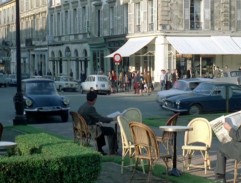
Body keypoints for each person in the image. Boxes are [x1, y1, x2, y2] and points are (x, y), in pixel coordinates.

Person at [78, 90, 117, 155]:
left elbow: (89, 118)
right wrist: (113, 119)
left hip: (84, 127)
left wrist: (96, 122)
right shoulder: (90, 108)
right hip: (90, 129)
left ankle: (100, 149)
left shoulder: (83, 106)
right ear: (94, 99)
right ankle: (112, 151)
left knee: (100, 127)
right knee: (111, 130)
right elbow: (100, 118)